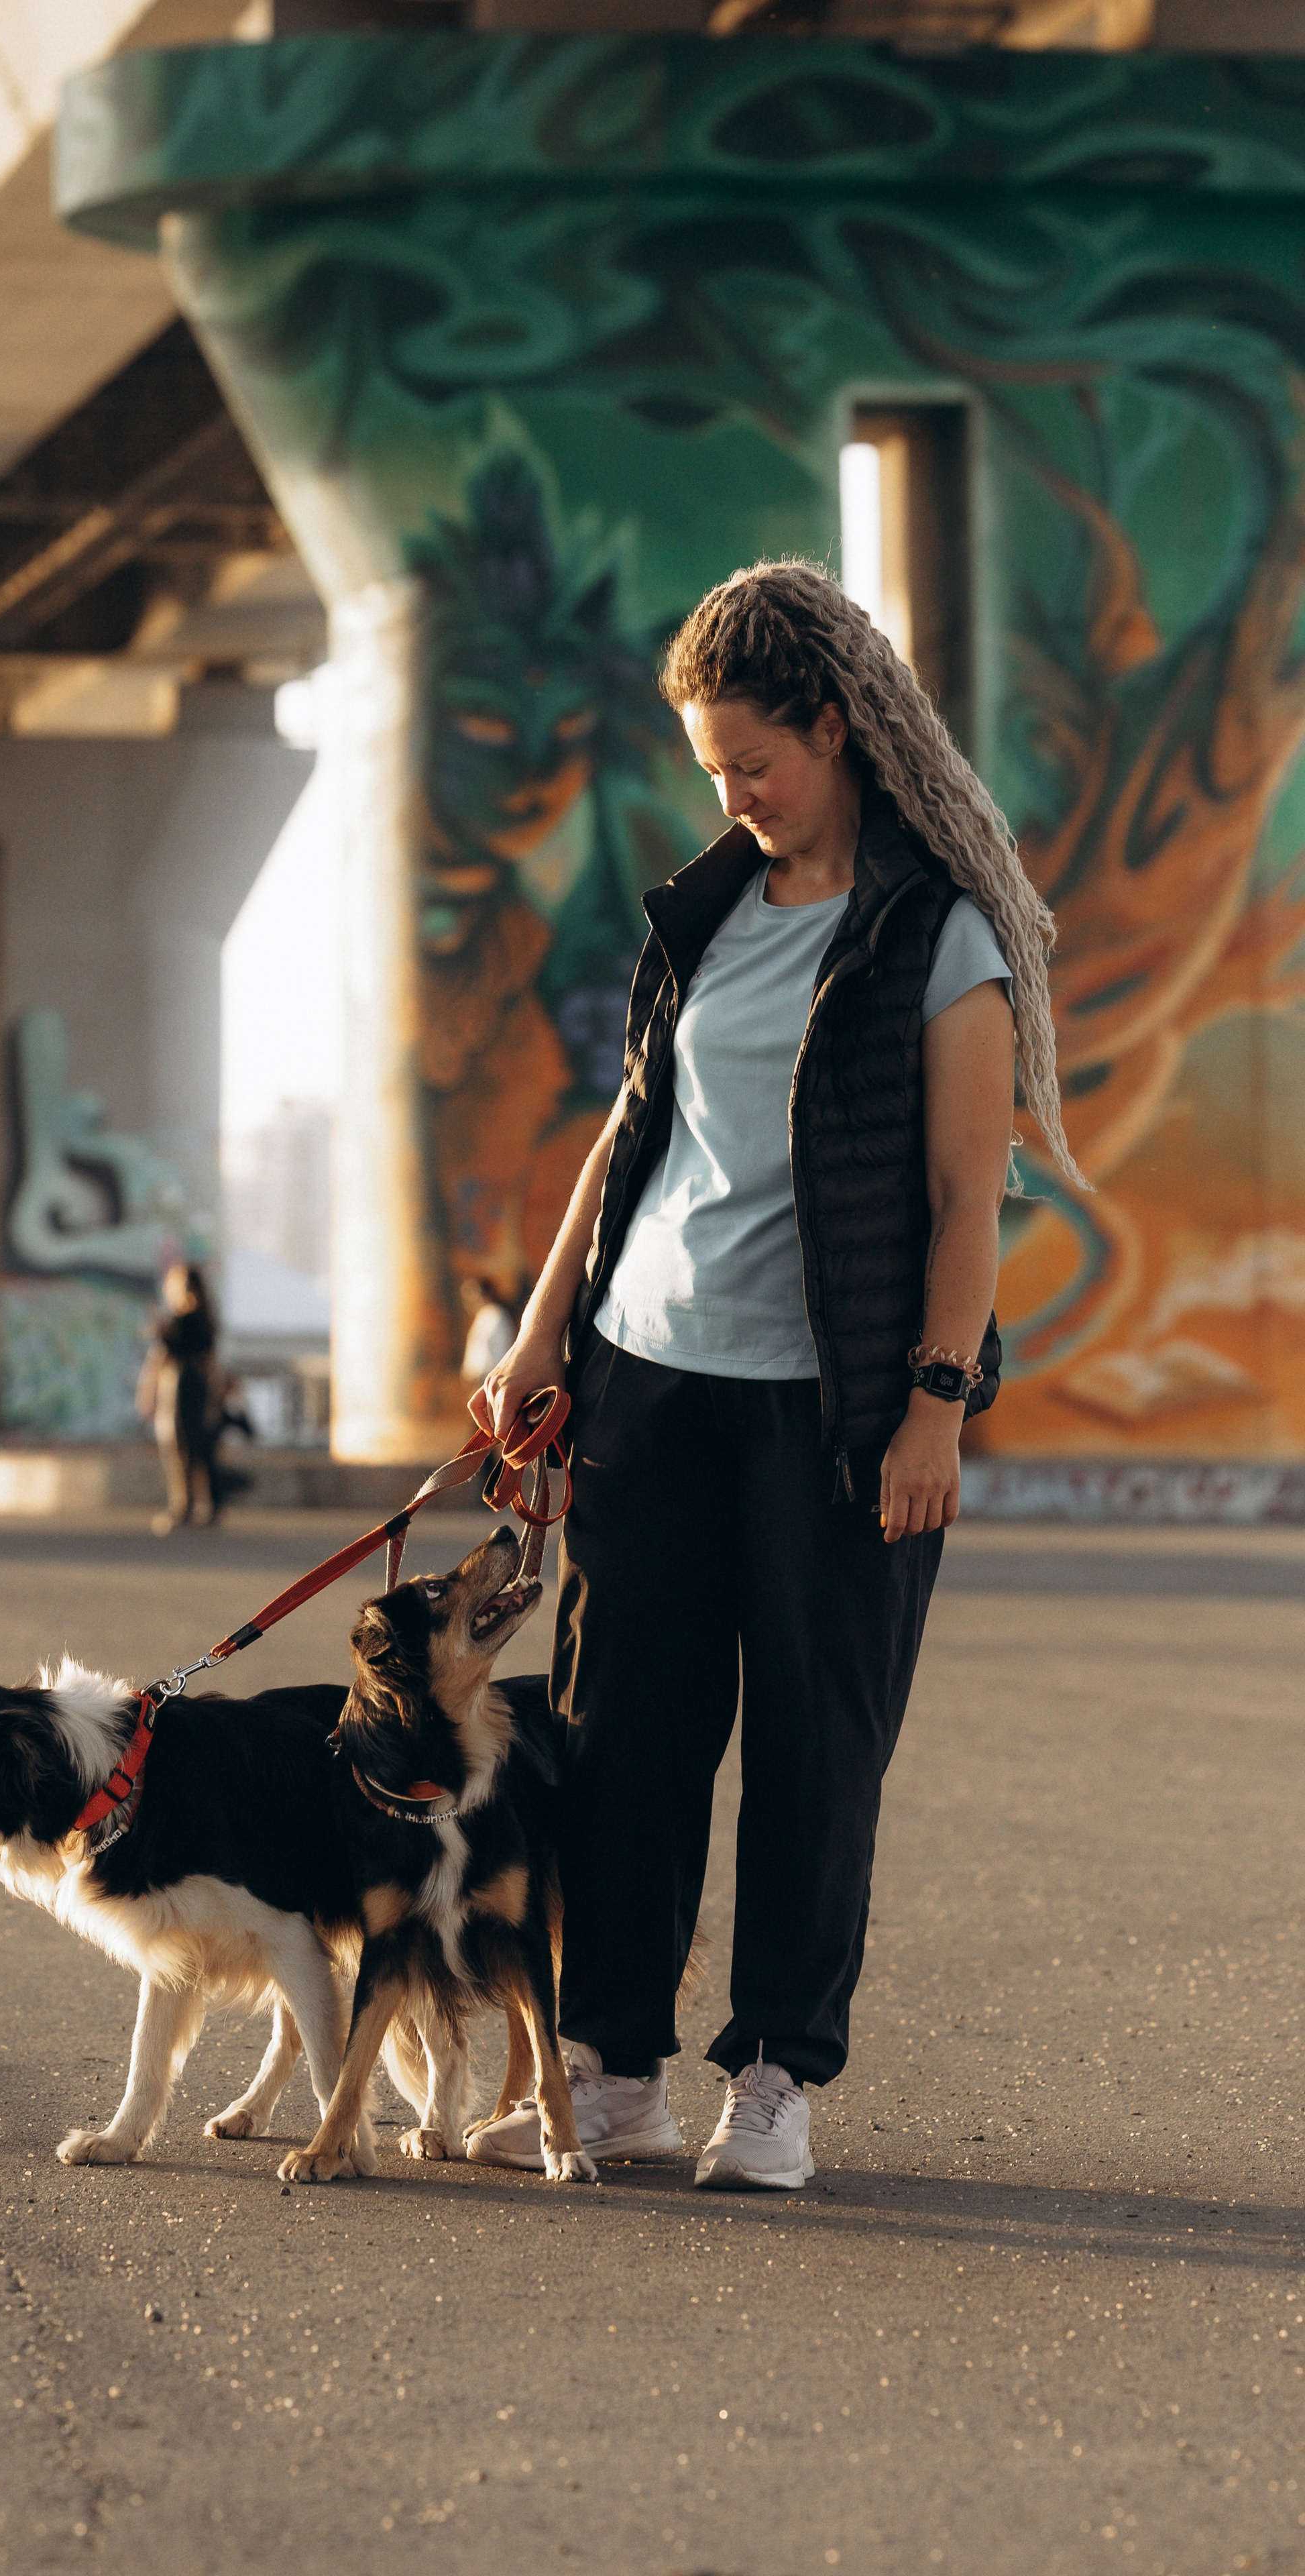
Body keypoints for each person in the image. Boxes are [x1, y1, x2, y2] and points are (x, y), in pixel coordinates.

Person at [467, 559, 1082, 2190]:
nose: (730, 797)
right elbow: (628, 1137)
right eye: (707, 772)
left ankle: (772, 2077)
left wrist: (934, 1404)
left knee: (816, 1744)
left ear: (833, 726)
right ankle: (609, 2064)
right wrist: (539, 1333)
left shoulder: (931, 936)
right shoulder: (701, 915)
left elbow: (968, 1196)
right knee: (624, 1735)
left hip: (834, 1413)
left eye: (752, 763)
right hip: (645, 1381)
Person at [138, 1263, 225, 1534]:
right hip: (195, 1385)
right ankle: (203, 1506)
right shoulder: (205, 1320)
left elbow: (160, 1358)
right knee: (197, 1449)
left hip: (179, 1385)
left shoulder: (179, 1321)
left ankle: (184, 1506)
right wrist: (215, 1395)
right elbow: (211, 1362)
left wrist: (147, 1388)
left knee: (180, 1448)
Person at [459, 1275, 518, 1389]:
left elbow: (501, 1348)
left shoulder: (497, 1315)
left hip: (491, 1379)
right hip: (478, 1380)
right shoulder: (482, 1316)